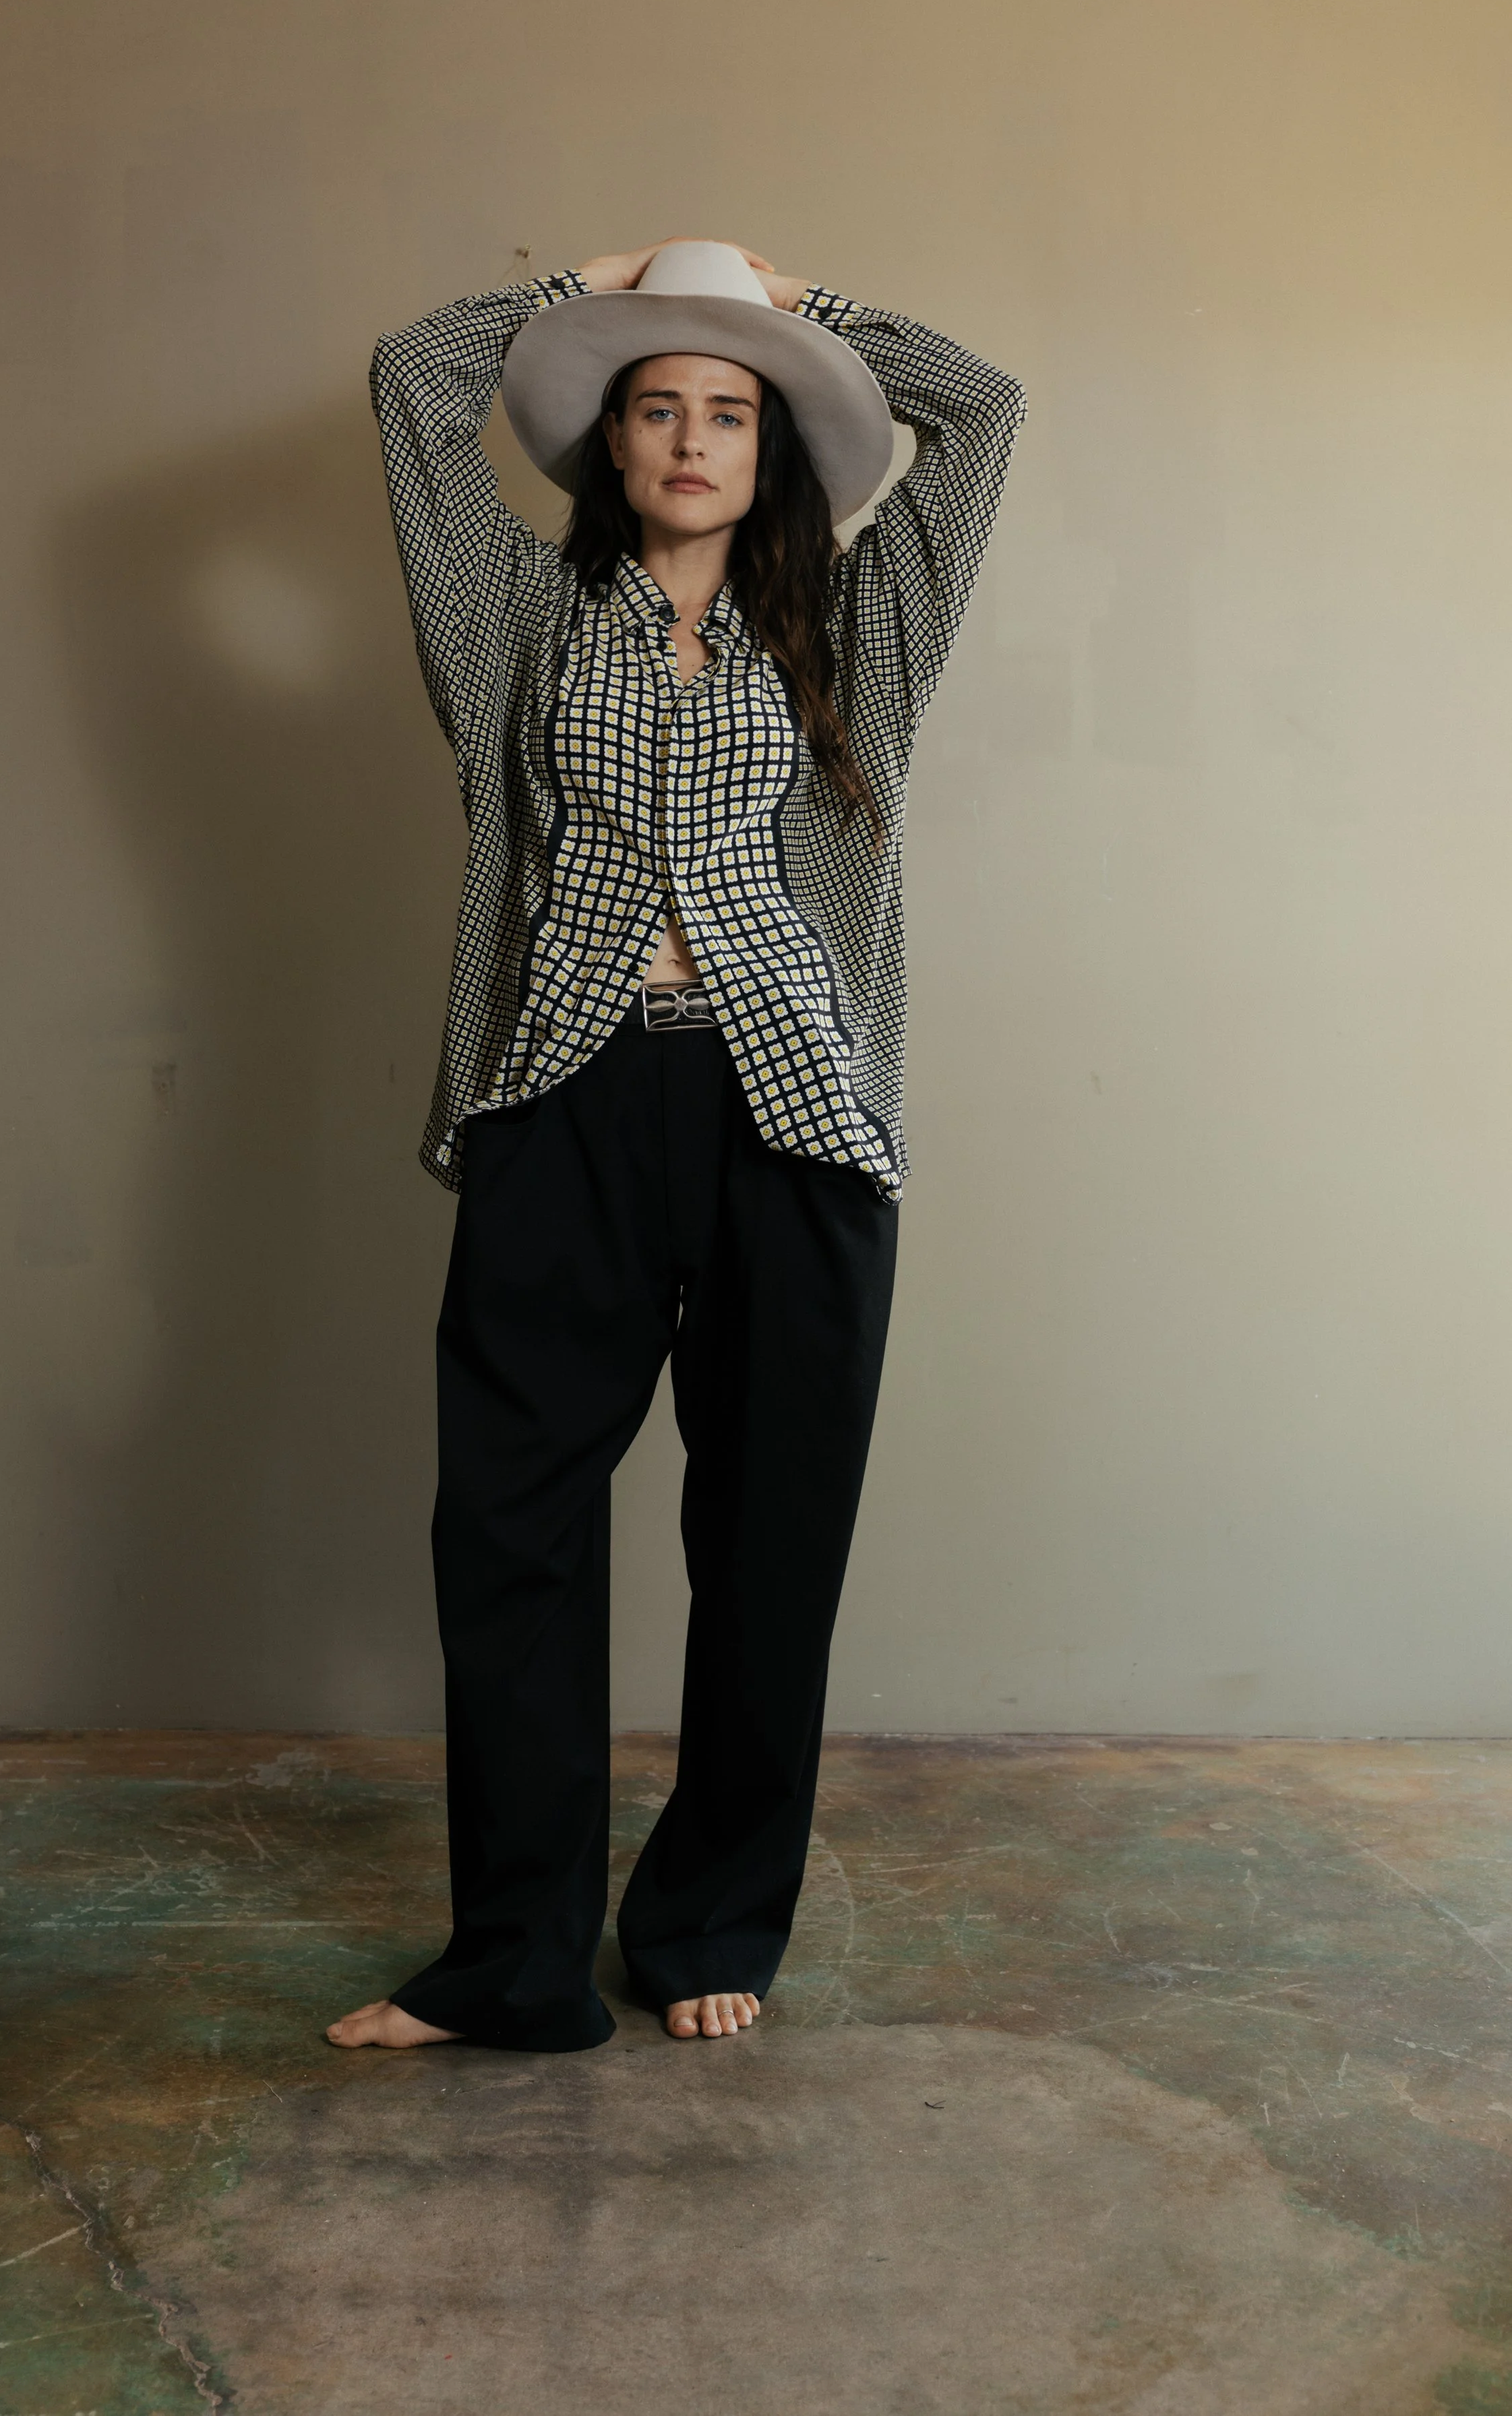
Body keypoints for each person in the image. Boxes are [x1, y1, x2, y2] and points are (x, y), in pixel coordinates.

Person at [328, 237, 1025, 2053]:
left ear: (771, 445)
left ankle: (711, 1917)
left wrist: (809, 318)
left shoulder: (854, 627)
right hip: (564, 1098)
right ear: (610, 443)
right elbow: (415, 386)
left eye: (729, 410)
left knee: (772, 1536)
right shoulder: (515, 614)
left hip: (791, 1114)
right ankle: (512, 1959)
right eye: (656, 407)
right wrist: (584, 284)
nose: (694, 440)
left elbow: (981, 412)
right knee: (511, 1529)